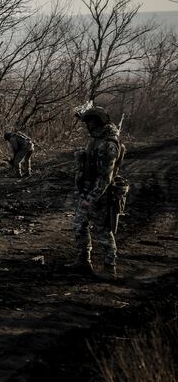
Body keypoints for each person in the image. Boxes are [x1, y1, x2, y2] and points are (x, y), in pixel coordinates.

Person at [69, 106, 128, 279]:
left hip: (101, 195)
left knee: (103, 231)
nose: (88, 126)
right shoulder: (96, 140)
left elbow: (105, 178)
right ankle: (83, 261)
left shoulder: (109, 144)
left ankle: (110, 267)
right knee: (79, 224)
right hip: (87, 190)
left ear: (98, 123)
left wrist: (91, 198)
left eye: (90, 122)